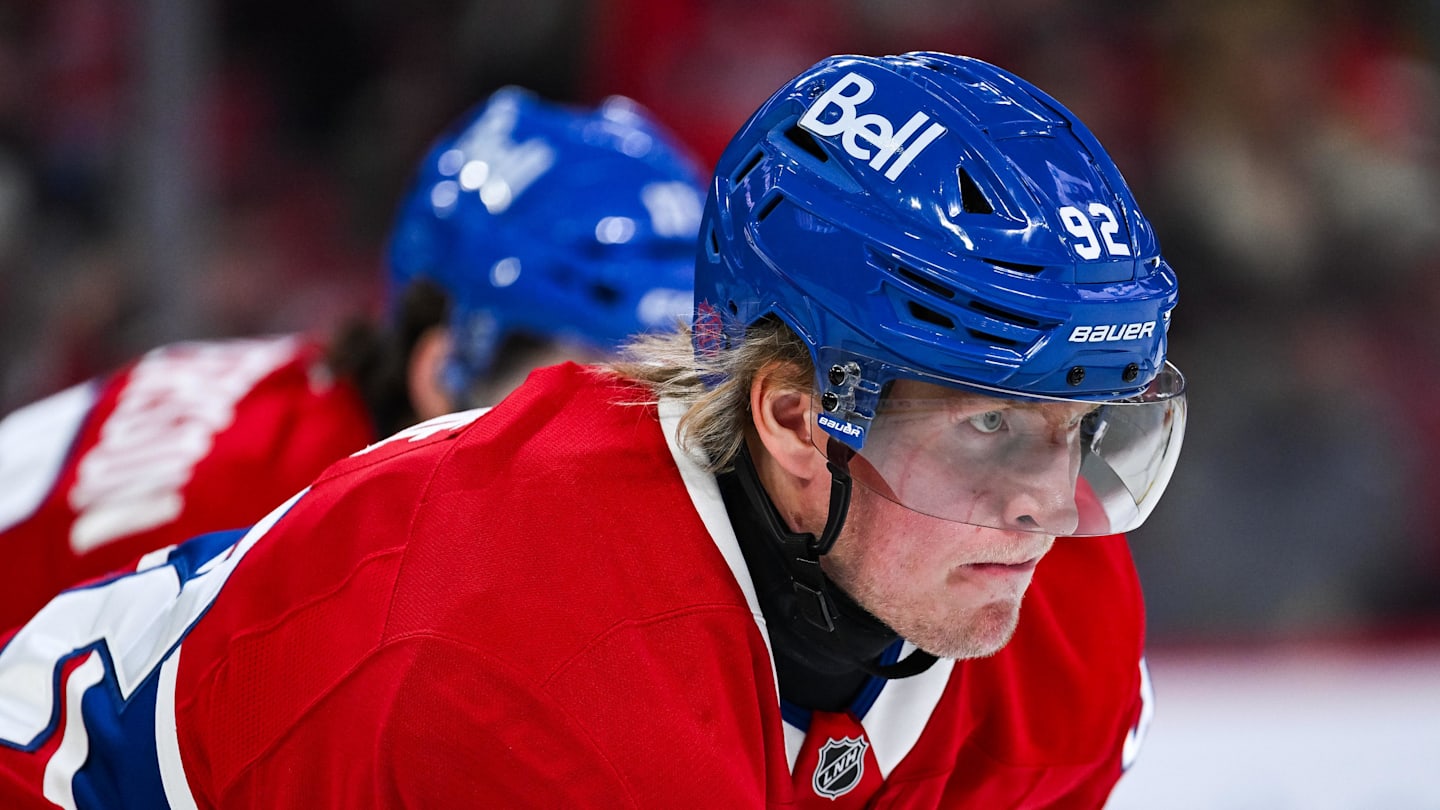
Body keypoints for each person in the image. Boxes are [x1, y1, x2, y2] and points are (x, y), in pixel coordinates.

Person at [0, 52, 1186, 808]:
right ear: (792, 418)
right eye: (987, 424)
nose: (1044, 505)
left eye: (1077, 429)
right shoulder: (541, 660)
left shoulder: (1056, 620)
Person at [0, 86, 705, 630]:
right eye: (601, 393)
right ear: (445, 371)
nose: (648, 438)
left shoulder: (310, 405)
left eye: (682, 386)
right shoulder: (293, 554)